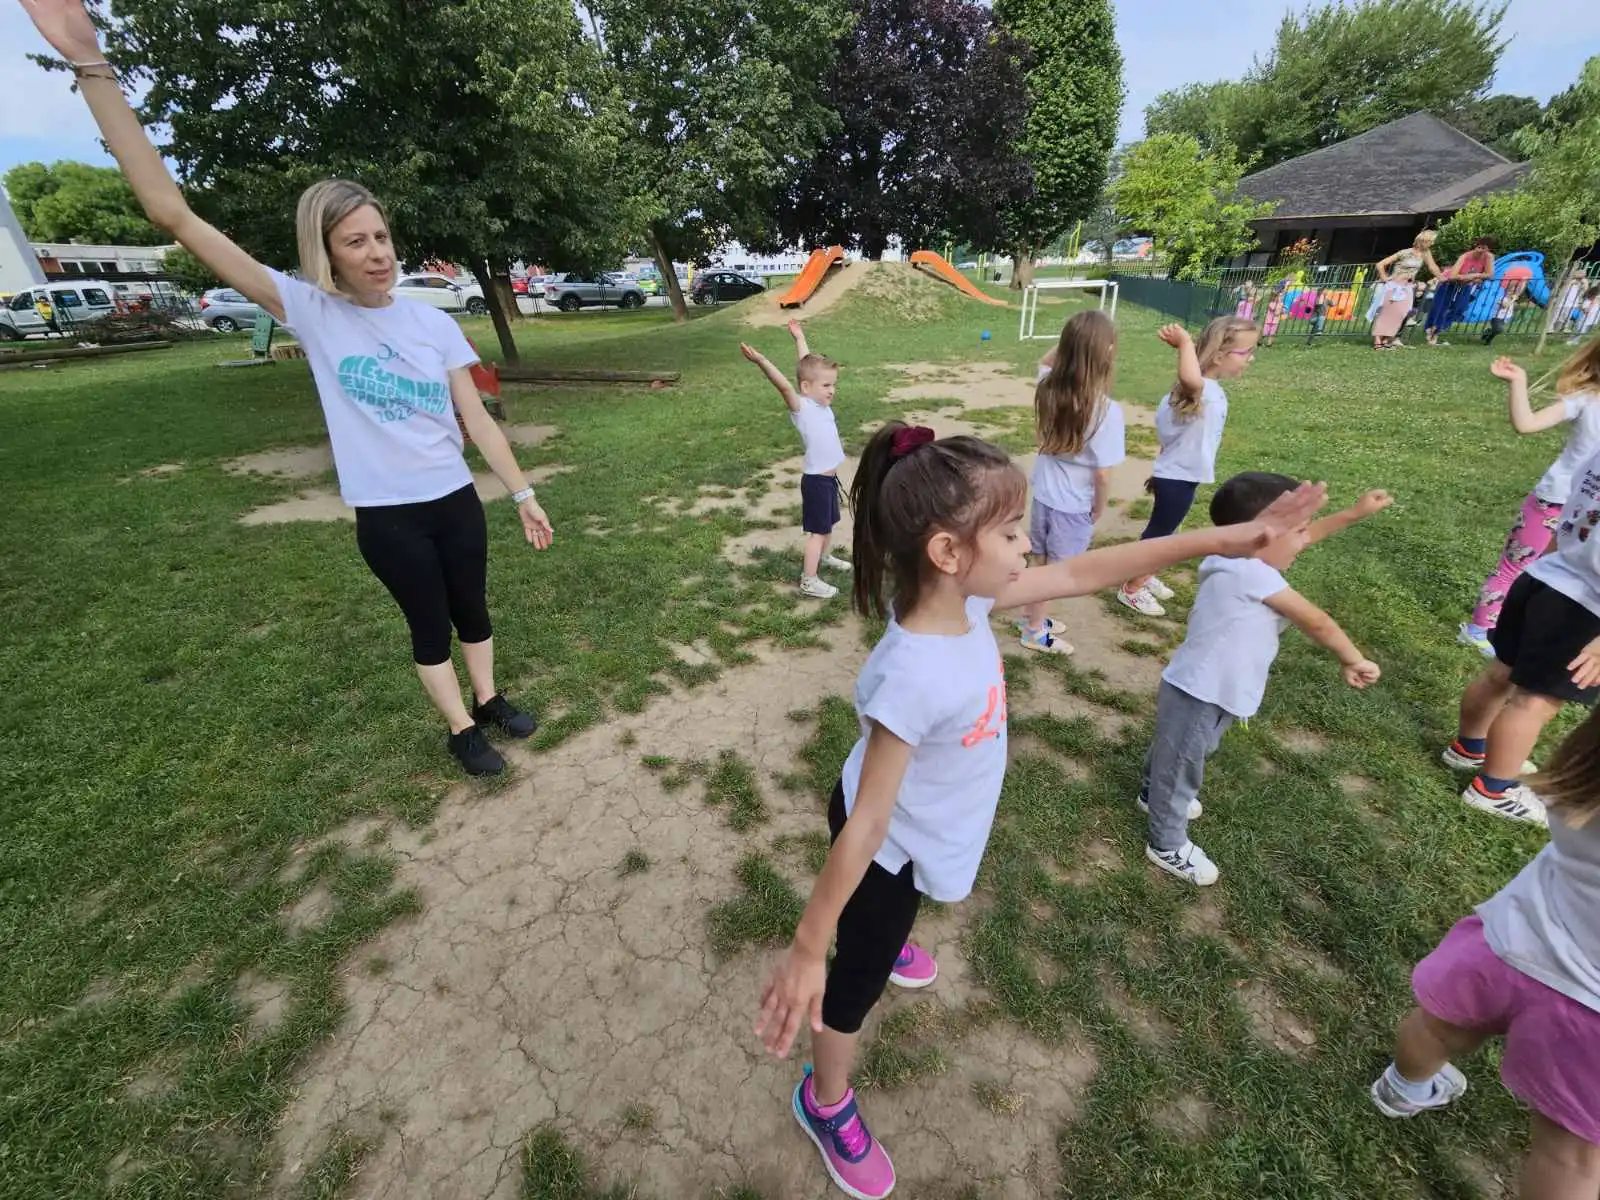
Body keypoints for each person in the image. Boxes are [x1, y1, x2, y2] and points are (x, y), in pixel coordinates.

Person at [753, 419, 1327, 1199]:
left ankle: (878, 942)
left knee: (894, 912)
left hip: (918, 838)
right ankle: (827, 1101)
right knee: (852, 985)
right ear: (948, 553)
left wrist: (1216, 541)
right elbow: (869, 826)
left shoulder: (966, 603)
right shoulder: (916, 673)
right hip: (883, 850)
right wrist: (806, 948)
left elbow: (1087, 572)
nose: (1029, 547)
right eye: (1014, 531)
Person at [19, 0, 555, 777]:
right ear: (328, 254)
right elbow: (172, 214)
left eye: (381, 236)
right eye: (355, 242)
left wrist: (522, 493)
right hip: (389, 517)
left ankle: (489, 701)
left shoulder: (433, 323)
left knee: (474, 610)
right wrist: (91, 67)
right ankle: (457, 729)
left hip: (453, 499)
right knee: (429, 625)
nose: (376, 253)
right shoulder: (309, 309)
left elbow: (477, 419)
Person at [1371, 706, 1600, 1199]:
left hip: (1506, 944)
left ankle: (1403, 1088)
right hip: (1590, 1014)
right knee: (1571, 1156)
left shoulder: (1582, 786)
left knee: (1435, 1026)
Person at [1138, 473, 1388, 885]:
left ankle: (1153, 793)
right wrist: (1352, 659)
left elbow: (1305, 537)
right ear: (1260, 537)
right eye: (1299, 531)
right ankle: (1166, 842)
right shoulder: (1251, 575)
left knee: (1180, 750)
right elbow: (1317, 622)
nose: (1305, 539)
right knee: (1182, 761)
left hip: (1212, 687)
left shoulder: (1233, 559)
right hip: (1202, 690)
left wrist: (1353, 514)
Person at [1442, 445, 1600, 824]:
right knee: (1536, 701)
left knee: (1501, 671)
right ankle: (1493, 790)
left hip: (1542, 578)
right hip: (1584, 603)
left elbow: (1570, 514)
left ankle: (1470, 747)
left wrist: (1544, 565)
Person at [1461, 352, 1600, 656]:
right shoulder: (1587, 400)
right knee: (1516, 566)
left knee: (1563, 573)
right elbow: (1526, 424)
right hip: (1556, 501)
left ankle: (1532, 630)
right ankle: (1479, 629)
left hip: (1591, 511)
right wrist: (1518, 381)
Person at [1118, 317, 1259, 617]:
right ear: (1220, 355)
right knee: (1160, 535)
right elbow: (1192, 380)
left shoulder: (1205, 390)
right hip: (1177, 477)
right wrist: (1184, 344)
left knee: (1168, 531)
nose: (1251, 358)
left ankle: (1146, 574)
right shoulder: (1199, 389)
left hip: (1179, 474)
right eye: (1246, 352)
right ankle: (1132, 588)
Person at [1018, 311, 1125, 655]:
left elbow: (1046, 360)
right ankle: (1034, 630)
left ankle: (1031, 615)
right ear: (1106, 353)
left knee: (1040, 560)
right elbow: (1103, 473)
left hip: (1045, 496)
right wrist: (1100, 505)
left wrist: (1073, 341)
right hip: (1073, 504)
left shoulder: (1047, 386)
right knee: (1056, 571)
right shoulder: (1106, 410)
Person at [739, 320, 850, 600]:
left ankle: (825, 558)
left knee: (829, 524)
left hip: (828, 481)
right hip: (815, 482)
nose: (832, 390)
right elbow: (786, 387)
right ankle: (809, 580)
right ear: (806, 387)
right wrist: (762, 361)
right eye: (826, 385)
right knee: (818, 531)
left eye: (833, 384)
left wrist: (799, 337)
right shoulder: (803, 408)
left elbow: (806, 363)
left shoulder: (819, 401)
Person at [1371, 231, 1442, 349]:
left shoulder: (1425, 253)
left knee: (1401, 314)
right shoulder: (1404, 253)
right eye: (1430, 241)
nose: (1432, 244)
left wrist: (1442, 277)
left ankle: (1386, 340)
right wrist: (1385, 279)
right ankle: (1378, 342)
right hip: (1395, 286)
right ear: (1423, 241)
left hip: (1408, 287)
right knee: (1387, 313)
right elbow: (1380, 264)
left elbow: (1432, 266)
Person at [1426, 237, 1496, 346]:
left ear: (1488, 249)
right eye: (1479, 247)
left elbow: (1490, 275)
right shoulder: (1465, 257)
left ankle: (1436, 327)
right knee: (1440, 307)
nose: (1480, 250)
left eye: (1484, 248)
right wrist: (1470, 277)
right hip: (1449, 283)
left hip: (1465, 285)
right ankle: (1432, 331)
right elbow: (1453, 275)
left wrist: (1475, 276)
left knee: (1460, 308)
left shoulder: (1489, 257)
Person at [1481, 279, 1524, 346]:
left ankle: (1488, 332)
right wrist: (1513, 299)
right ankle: (1488, 339)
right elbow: (1505, 305)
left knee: (1497, 329)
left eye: (1513, 291)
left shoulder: (1510, 297)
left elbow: (1519, 290)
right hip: (1497, 317)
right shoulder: (1499, 296)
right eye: (1509, 291)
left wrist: (1523, 281)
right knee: (1498, 329)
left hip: (1506, 317)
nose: (1511, 293)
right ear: (1505, 289)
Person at [1260, 282, 1285, 348]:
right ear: (1273, 297)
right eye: (1277, 297)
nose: (1279, 298)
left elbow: (1282, 311)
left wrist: (1282, 309)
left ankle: (1269, 344)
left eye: (1279, 297)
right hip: (1268, 321)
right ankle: (1259, 341)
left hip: (1275, 321)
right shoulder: (1271, 304)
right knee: (1264, 333)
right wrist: (1280, 307)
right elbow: (1276, 312)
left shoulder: (1280, 304)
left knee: (1272, 333)